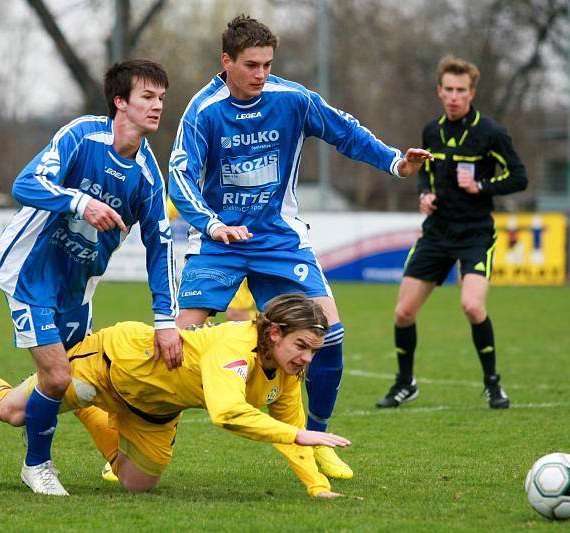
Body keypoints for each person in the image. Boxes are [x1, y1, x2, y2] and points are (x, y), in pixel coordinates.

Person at [167, 15, 431, 480]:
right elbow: (181, 178)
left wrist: (395, 162)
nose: (261, 74)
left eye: (268, 64)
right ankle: (142, 442)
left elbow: (344, 131)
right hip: (219, 241)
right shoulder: (202, 111)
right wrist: (212, 226)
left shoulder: (292, 100)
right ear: (225, 62)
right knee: (178, 346)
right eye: (251, 65)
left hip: (278, 239)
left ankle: (319, 438)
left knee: (328, 332)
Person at [0, 60, 182, 496]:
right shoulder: (81, 136)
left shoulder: (147, 176)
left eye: (161, 98)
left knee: (35, 400)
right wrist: (80, 203)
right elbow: (26, 183)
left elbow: (160, 248)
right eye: (148, 96)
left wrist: (166, 320)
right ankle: (37, 466)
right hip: (30, 272)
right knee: (57, 377)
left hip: (77, 290)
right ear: (120, 102)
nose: (157, 106)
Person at [0, 293, 349, 498]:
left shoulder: (287, 373)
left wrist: (317, 487)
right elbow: (227, 412)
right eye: (302, 347)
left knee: (137, 485)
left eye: (314, 350)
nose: (308, 358)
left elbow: (289, 425)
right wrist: (300, 436)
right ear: (274, 333)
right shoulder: (235, 348)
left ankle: (91, 415)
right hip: (110, 365)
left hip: (155, 412)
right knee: (15, 412)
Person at [376, 55, 527, 410]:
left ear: (472, 93)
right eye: (449, 90)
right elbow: (425, 170)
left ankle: (493, 384)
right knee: (403, 313)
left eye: (461, 90)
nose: (454, 96)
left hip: (475, 234)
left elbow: (519, 177)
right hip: (437, 233)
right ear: (439, 92)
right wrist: (424, 193)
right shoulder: (432, 130)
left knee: (472, 306)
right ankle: (405, 382)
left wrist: (482, 185)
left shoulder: (491, 133)